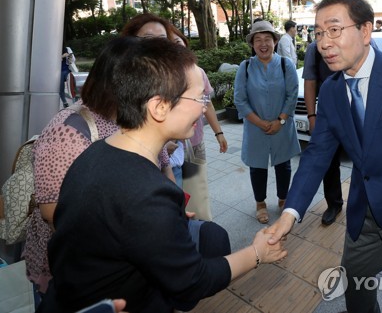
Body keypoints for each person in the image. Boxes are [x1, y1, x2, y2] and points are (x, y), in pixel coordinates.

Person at [36, 37, 287, 313]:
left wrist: (164, 218)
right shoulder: (145, 193)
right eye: (199, 96)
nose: (205, 106)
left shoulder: (94, 155)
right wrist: (257, 253)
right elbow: (193, 281)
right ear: (159, 107)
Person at [267, 0, 382, 313]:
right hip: (362, 216)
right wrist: (288, 214)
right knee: (357, 295)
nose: (323, 43)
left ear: (365, 31)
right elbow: (316, 155)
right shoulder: (332, 90)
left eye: (334, 29)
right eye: (319, 33)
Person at [23, 35, 178, 301]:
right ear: (117, 81)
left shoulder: (138, 117)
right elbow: (52, 212)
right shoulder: (68, 129)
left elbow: (164, 168)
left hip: (128, 263)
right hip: (77, 269)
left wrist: (171, 211)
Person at [234, 20, 300, 224]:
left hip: (282, 124)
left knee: (283, 164)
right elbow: (240, 99)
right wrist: (261, 123)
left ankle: (283, 199)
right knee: (257, 166)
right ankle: (260, 203)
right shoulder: (245, 67)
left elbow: (292, 94)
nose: (263, 44)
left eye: (267, 39)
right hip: (255, 127)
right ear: (252, 44)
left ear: (275, 41)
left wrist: (280, 120)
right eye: (258, 40)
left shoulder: (285, 64)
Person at [164, 22, 229, 221]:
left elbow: (207, 103)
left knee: (197, 189)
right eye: (168, 43)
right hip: (168, 148)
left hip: (194, 143)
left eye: (178, 41)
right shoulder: (158, 76)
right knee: (173, 195)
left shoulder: (197, 71)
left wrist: (219, 133)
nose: (175, 46)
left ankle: (202, 226)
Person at [302, 40, 343, 225]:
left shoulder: (364, 42)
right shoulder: (315, 48)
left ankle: (367, 203)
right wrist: (311, 116)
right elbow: (310, 81)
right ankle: (334, 203)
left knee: (365, 161)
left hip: (359, 111)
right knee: (329, 162)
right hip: (328, 113)